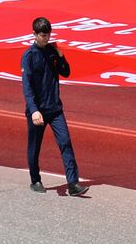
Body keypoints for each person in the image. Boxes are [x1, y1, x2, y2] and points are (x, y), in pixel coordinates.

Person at [21, 17, 87, 196]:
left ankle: (72, 183)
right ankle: (35, 180)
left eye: (48, 35)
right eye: (43, 35)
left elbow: (66, 72)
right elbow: (27, 86)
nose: (46, 38)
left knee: (65, 142)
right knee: (34, 147)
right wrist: (34, 110)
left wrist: (60, 55)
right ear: (34, 34)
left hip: (55, 108)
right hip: (38, 110)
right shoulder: (29, 56)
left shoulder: (52, 51)